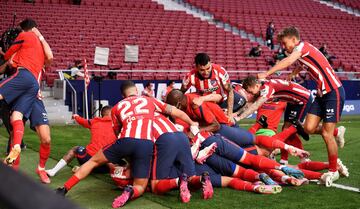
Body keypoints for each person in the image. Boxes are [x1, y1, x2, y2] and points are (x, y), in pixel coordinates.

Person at [55, 81, 200, 208]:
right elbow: (176, 112)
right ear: (136, 91)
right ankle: (134, 190)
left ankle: (64, 189)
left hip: (125, 140)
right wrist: (192, 123)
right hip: (146, 144)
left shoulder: (117, 107)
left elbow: (118, 132)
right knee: (140, 186)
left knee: (92, 161)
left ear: (123, 96)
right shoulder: (149, 100)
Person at [257, 26, 346, 183]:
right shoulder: (302, 51)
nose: (284, 47)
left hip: (333, 92)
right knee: (308, 128)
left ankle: (333, 170)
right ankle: (337, 133)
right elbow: (300, 63)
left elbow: (290, 60)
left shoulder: (302, 47)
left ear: (293, 39)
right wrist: (293, 73)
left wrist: (267, 73)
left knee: (326, 133)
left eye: (285, 43)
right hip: (320, 94)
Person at [0, 18, 47, 167]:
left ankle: (15, 146)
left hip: (23, 77)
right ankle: (16, 146)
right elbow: (50, 57)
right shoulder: (38, 47)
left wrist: (3, 53)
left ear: (24, 29)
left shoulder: (25, 36)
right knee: (16, 117)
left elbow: (9, 56)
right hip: (34, 86)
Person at [46, 106, 117, 177]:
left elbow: (82, 121)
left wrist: (76, 116)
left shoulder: (94, 121)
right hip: (105, 165)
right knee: (118, 155)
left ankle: (53, 171)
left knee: (75, 149)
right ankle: (119, 178)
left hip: (87, 159)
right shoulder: (117, 125)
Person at [181, 53, 244, 119]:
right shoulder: (190, 76)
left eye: (208, 68)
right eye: (202, 70)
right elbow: (180, 94)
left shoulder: (220, 71)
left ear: (210, 63)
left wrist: (230, 114)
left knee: (241, 102)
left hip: (223, 101)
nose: (206, 72)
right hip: (206, 103)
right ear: (196, 67)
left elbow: (230, 91)